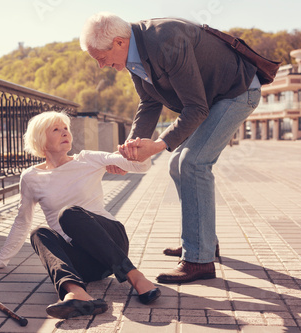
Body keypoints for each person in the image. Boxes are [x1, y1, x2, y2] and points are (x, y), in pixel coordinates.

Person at [80, 13, 261, 284]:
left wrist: (157, 146)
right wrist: (128, 152)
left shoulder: (165, 40)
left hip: (237, 91)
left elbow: (196, 107)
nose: (102, 65)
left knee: (192, 163)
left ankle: (199, 260)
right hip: (212, 98)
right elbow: (149, 102)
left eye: (101, 57)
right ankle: (203, 241)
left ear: (118, 42)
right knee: (178, 163)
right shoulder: (133, 54)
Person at [0, 111, 160, 319]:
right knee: (38, 232)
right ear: (40, 140)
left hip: (112, 243)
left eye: (66, 128)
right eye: (56, 129)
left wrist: (136, 152)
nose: (64, 133)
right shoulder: (31, 177)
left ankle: (135, 276)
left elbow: (140, 165)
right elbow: (22, 221)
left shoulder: (88, 158)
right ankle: (76, 293)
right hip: (88, 266)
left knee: (68, 214)